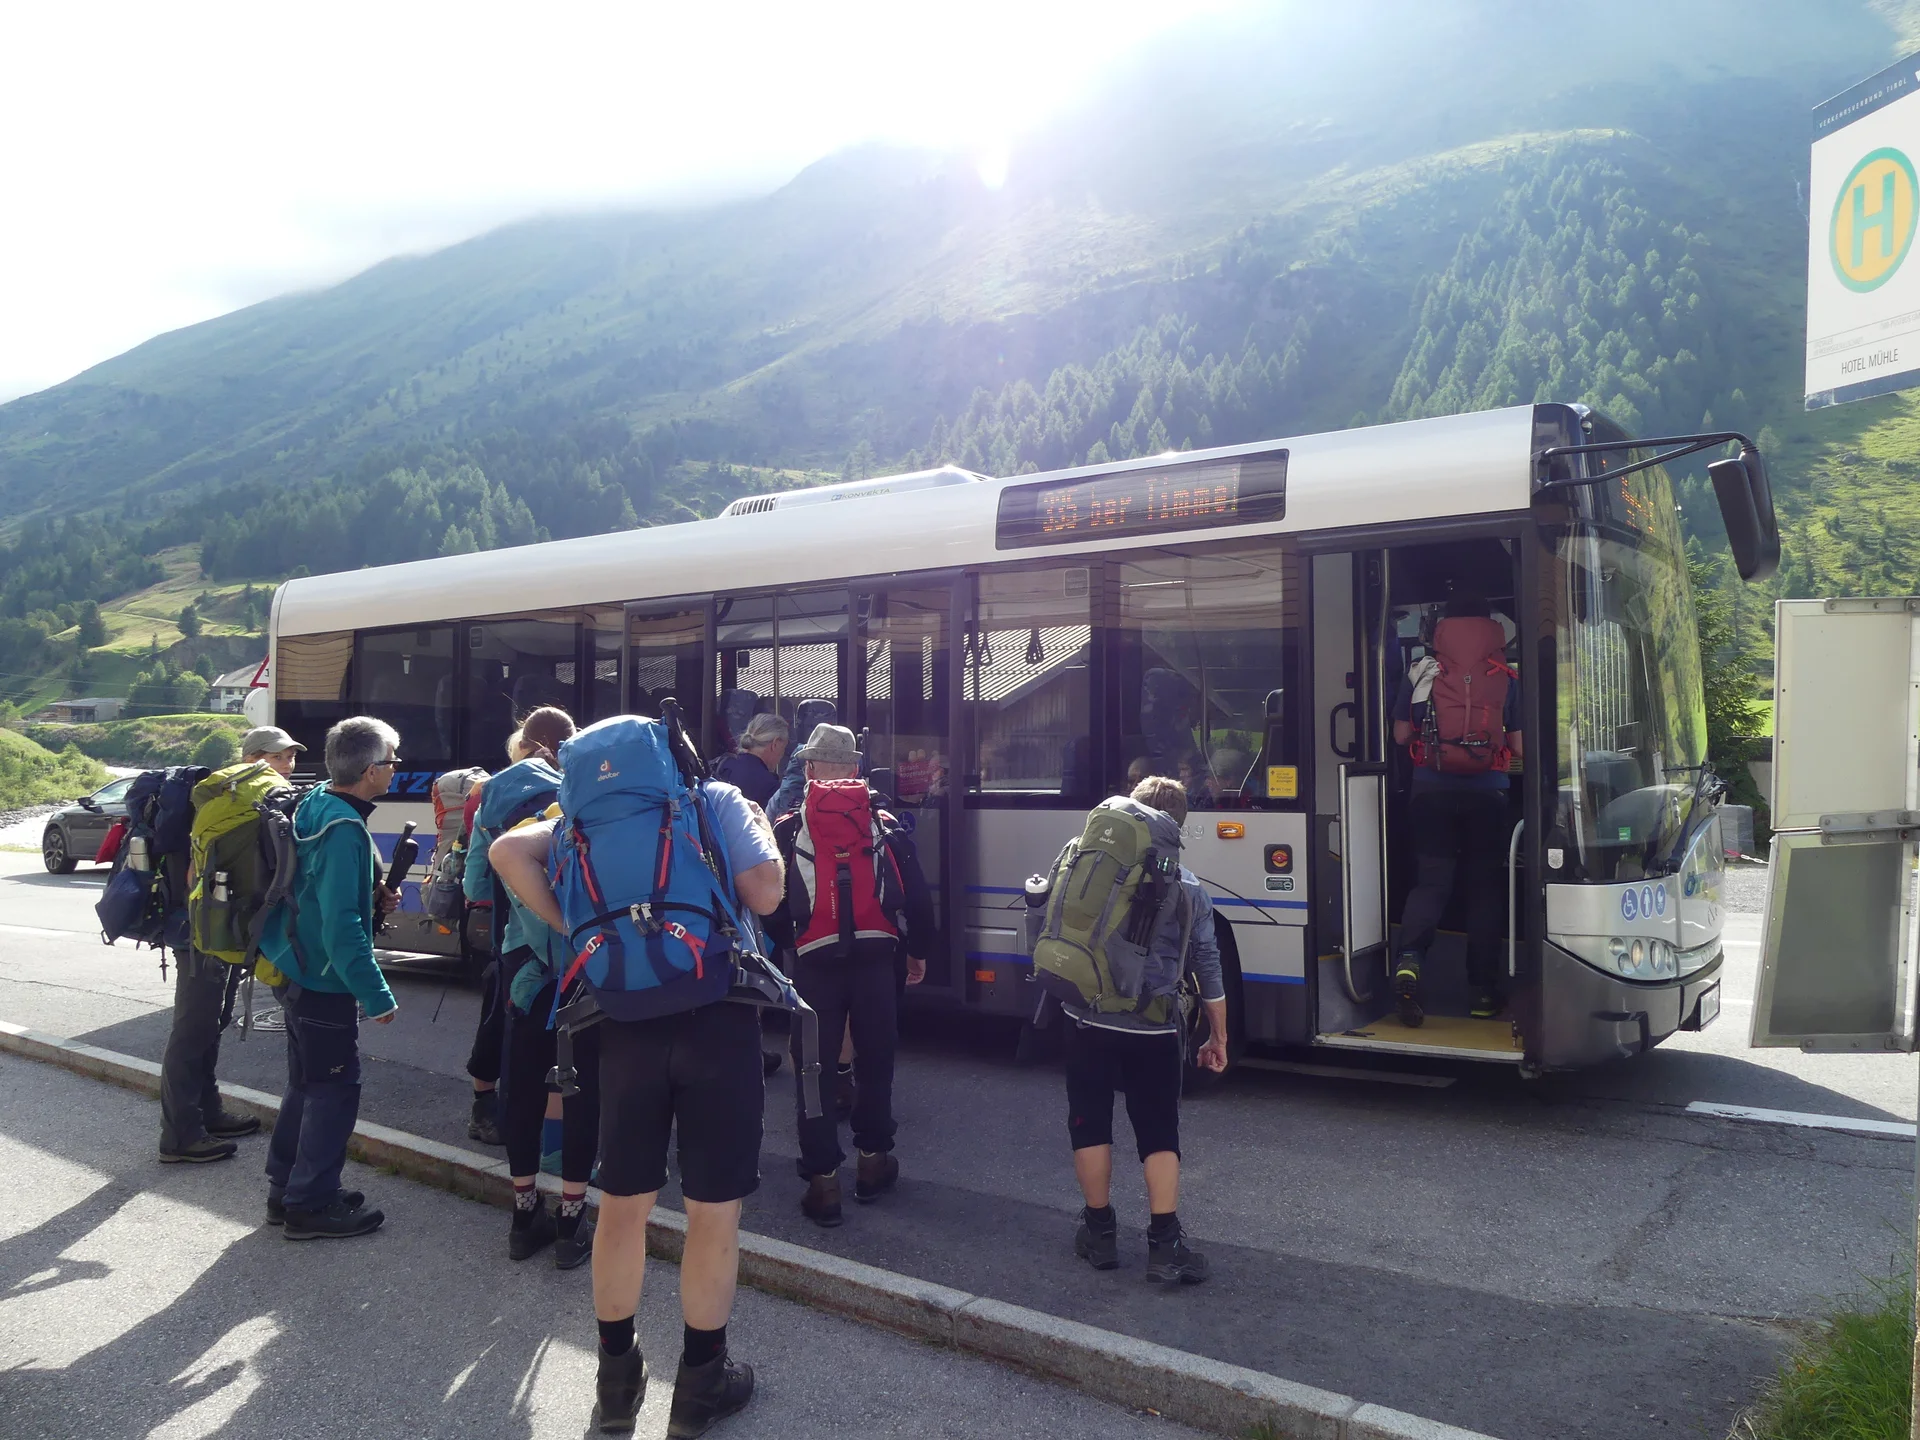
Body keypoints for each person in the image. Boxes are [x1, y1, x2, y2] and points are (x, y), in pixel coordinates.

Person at [489, 755, 784, 1437]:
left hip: (622, 1021)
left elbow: (506, 851)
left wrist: (580, 929)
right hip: (717, 1016)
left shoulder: (584, 816)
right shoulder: (717, 798)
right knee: (713, 1212)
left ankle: (617, 1385)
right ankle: (701, 1384)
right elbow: (766, 894)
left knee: (623, 1206)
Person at [763, 723, 935, 1230]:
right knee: (876, 1062)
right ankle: (873, 1164)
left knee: (813, 1070)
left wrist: (791, 939)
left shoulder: (790, 828)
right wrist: (917, 952)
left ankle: (823, 1186)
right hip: (878, 961)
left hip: (813, 965)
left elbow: (771, 905)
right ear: (856, 770)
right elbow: (919, 899)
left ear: (810, 770)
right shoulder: (884, 824)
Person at [1062, 776, 1226, 1284]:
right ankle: (1163, 1245)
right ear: (1179, 825)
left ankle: (1100, 1233)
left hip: (1086, 1015)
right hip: (1154, 1026)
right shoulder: (1190, 886)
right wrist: (1217, 1037)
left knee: (1089, 1119)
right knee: (1158, 1129)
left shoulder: (1089, 862)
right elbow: (1208, 966)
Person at [257, 716, 402, 1240]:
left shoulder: (318, 799)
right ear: (369, 771)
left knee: (307, 1083)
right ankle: (309, 1205)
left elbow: (326, 894)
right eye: (392, 762)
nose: (395, 770)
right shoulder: (344, 829)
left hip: (295, 964)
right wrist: (375, 993)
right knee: (335, 1089)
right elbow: (341, 928)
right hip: (324, 978)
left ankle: (286, 1188)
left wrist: (372, 891)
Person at [465, 707, 600, 1268]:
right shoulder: (578, 797)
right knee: (581, 1094)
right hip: (585, 972)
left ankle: (524, 1218)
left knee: (519, 1090)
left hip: (524, 973)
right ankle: (571, 1224)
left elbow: (475, 884)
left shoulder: (490, 805)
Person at [157, 725, 303, 1164]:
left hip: (215, 926)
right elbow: (194, 875)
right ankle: (179, 1135)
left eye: (292, 757)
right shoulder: (228, 801)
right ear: (254, 757)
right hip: (199, 930)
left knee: (211, 1021)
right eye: (280, 757)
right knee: (192, 1027)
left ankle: (207, 1112)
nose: (288, 765)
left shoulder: (241, 803)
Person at [1390, 591, 1523, 1026]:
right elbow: (1518, 744)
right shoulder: (1505, 672)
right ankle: (1482, 993)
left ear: (1440, 630)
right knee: (1484, 889)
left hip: (1431, 789)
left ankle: (1409, 961)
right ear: (1493, 628)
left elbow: (1400, 736)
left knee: (1431, 884)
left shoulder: (1424, 669)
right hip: (1489, 793)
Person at [712, 712, 788, 810]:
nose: (782, 755)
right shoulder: (770, 787)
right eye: (784, 748)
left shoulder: (720, 765)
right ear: (775, 744)